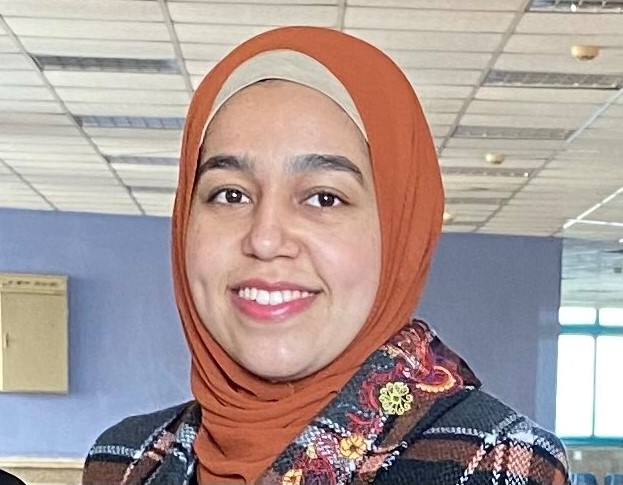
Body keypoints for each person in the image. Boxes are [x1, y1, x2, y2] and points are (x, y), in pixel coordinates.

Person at [82, 27, 569, 485]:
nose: (265, 239)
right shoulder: (128, 459)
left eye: (323, 198)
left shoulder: (494, 463)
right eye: (230, 195)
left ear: (399, 233)